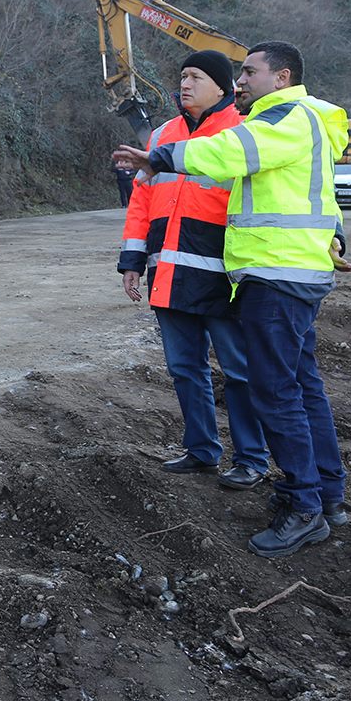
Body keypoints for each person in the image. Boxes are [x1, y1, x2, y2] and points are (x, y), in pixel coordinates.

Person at [113, 41, 350, 558]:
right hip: (278, 272)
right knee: (299, 387)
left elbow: (231, 156)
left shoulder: (281, 119)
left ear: (281, 76)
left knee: (275, 393)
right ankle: (326, 497)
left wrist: (160, 157)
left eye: (248, 72)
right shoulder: (292, 120)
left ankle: (302, 503)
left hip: (274, 276)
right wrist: (333, 239)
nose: (243, 81)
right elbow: (316, 193)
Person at [116, 51, 269, 491]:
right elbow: (141, 201)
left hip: (225, 277)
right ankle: (201, 450)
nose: (184, 84)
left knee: (239, 372)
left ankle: (252, 458)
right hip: (170, 274)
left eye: (195, 77)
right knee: (185, 369)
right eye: (182, 76)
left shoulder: (243, 133)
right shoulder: (163, 133)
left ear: (221, 87)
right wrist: (131, 261)